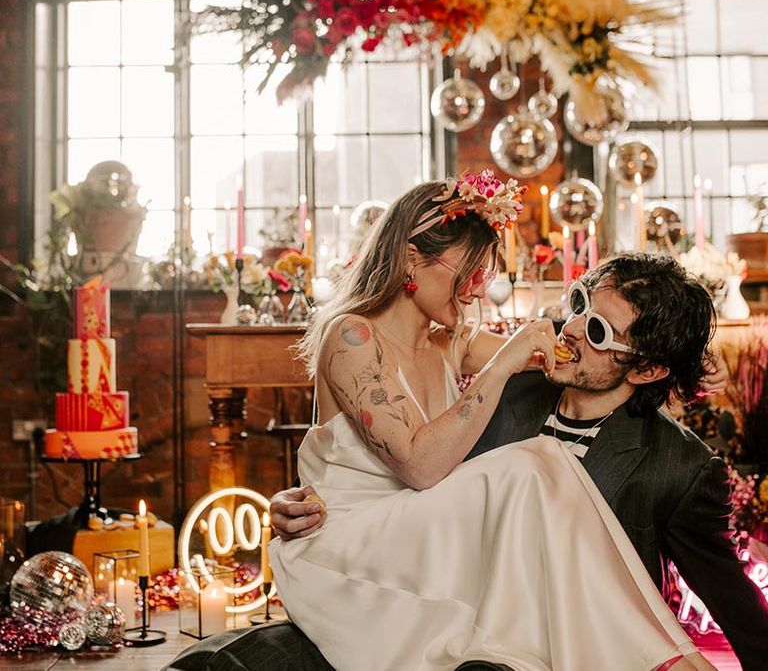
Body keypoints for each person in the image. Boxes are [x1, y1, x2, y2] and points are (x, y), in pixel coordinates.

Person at [268, 171, 714, 671]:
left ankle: (657, 654)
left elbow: (557, 354)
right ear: (412, 257)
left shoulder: (446, 343)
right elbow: (419, 467)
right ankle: (661, 660)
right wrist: (503, 360)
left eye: (485, 274)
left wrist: (674, 359)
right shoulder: (351, 338)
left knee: (539, 475)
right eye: (469, 272)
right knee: (536, 460)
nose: (478, 290)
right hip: (351, 550)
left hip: (421, 543)